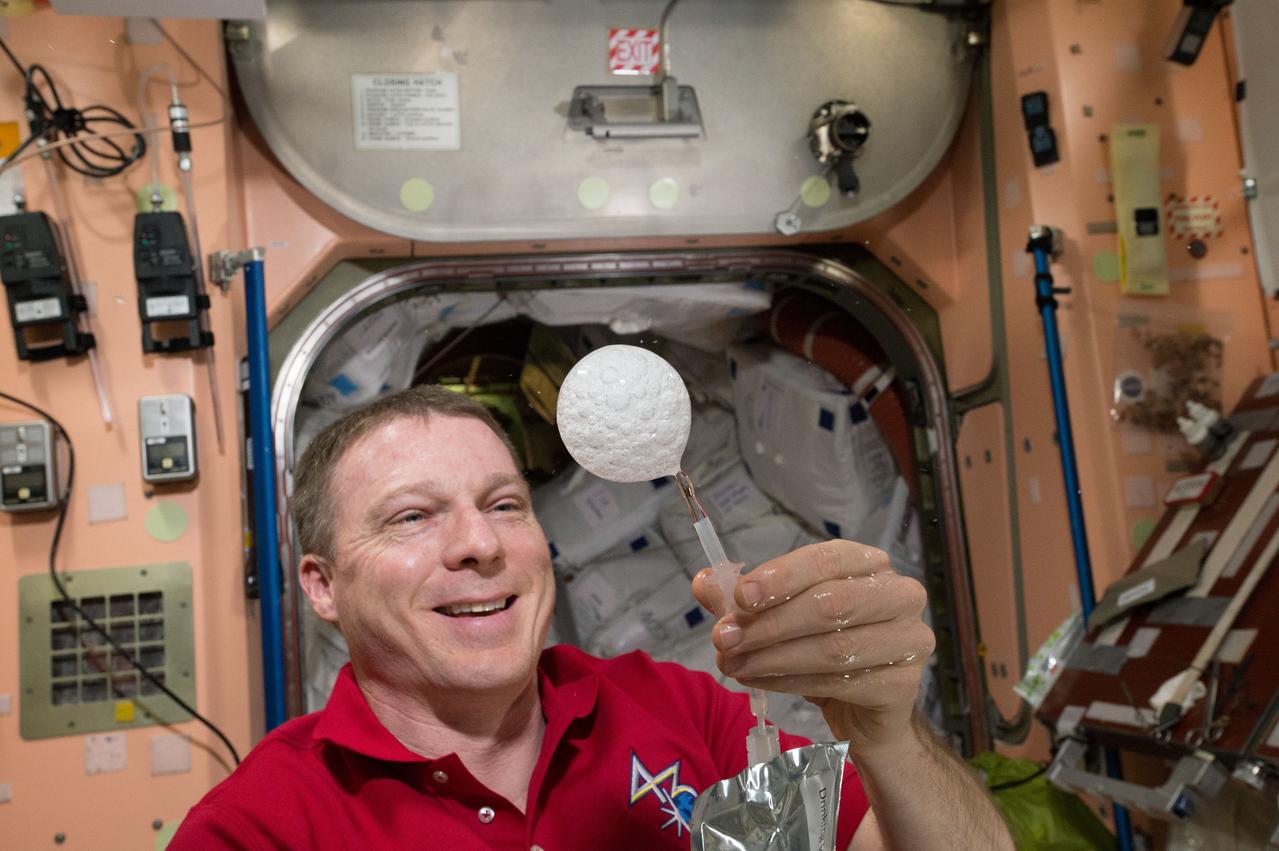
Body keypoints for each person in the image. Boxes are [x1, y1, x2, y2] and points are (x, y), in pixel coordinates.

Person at [170, 385, 1012, 850]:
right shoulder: (263, 827)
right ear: (320, 585)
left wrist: (887, 735)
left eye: (503, 504)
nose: (479, 544)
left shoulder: (681, 715)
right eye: (411, 517)